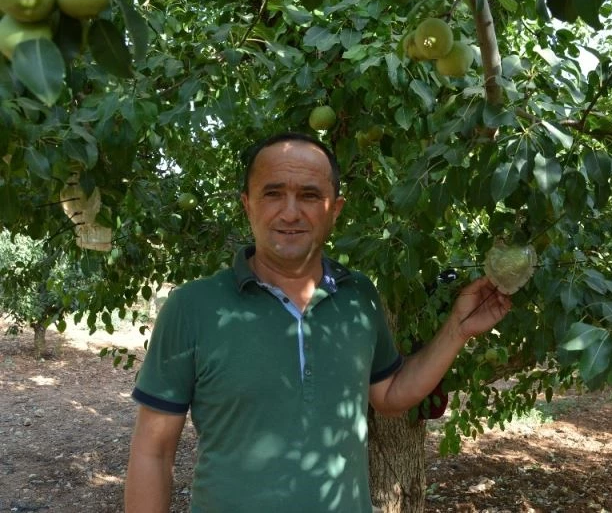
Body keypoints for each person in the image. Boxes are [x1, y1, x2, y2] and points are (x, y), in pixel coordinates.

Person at [124, 132, 512, 512]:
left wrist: (457, 328)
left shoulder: (359, 297)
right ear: (248, 204)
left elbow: (390, 396)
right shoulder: (193, 307)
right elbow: (152, 452)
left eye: (309, 195)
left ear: (335, 210)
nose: (290, 212)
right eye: (273, 193)